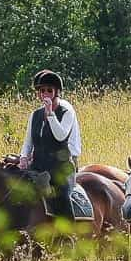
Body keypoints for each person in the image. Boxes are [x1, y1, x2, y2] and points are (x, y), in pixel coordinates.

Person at [14, 69, 82, 217]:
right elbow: (28, 142)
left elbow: (60, 136)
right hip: (38, 165)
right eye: (42, 90)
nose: (45, 93)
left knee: (61, 196)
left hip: (61, 167)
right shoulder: (35, 115)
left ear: (56, 92)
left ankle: (69, 235)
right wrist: (24, 157)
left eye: (49, 90)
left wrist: (50, 113)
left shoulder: (66, 112)